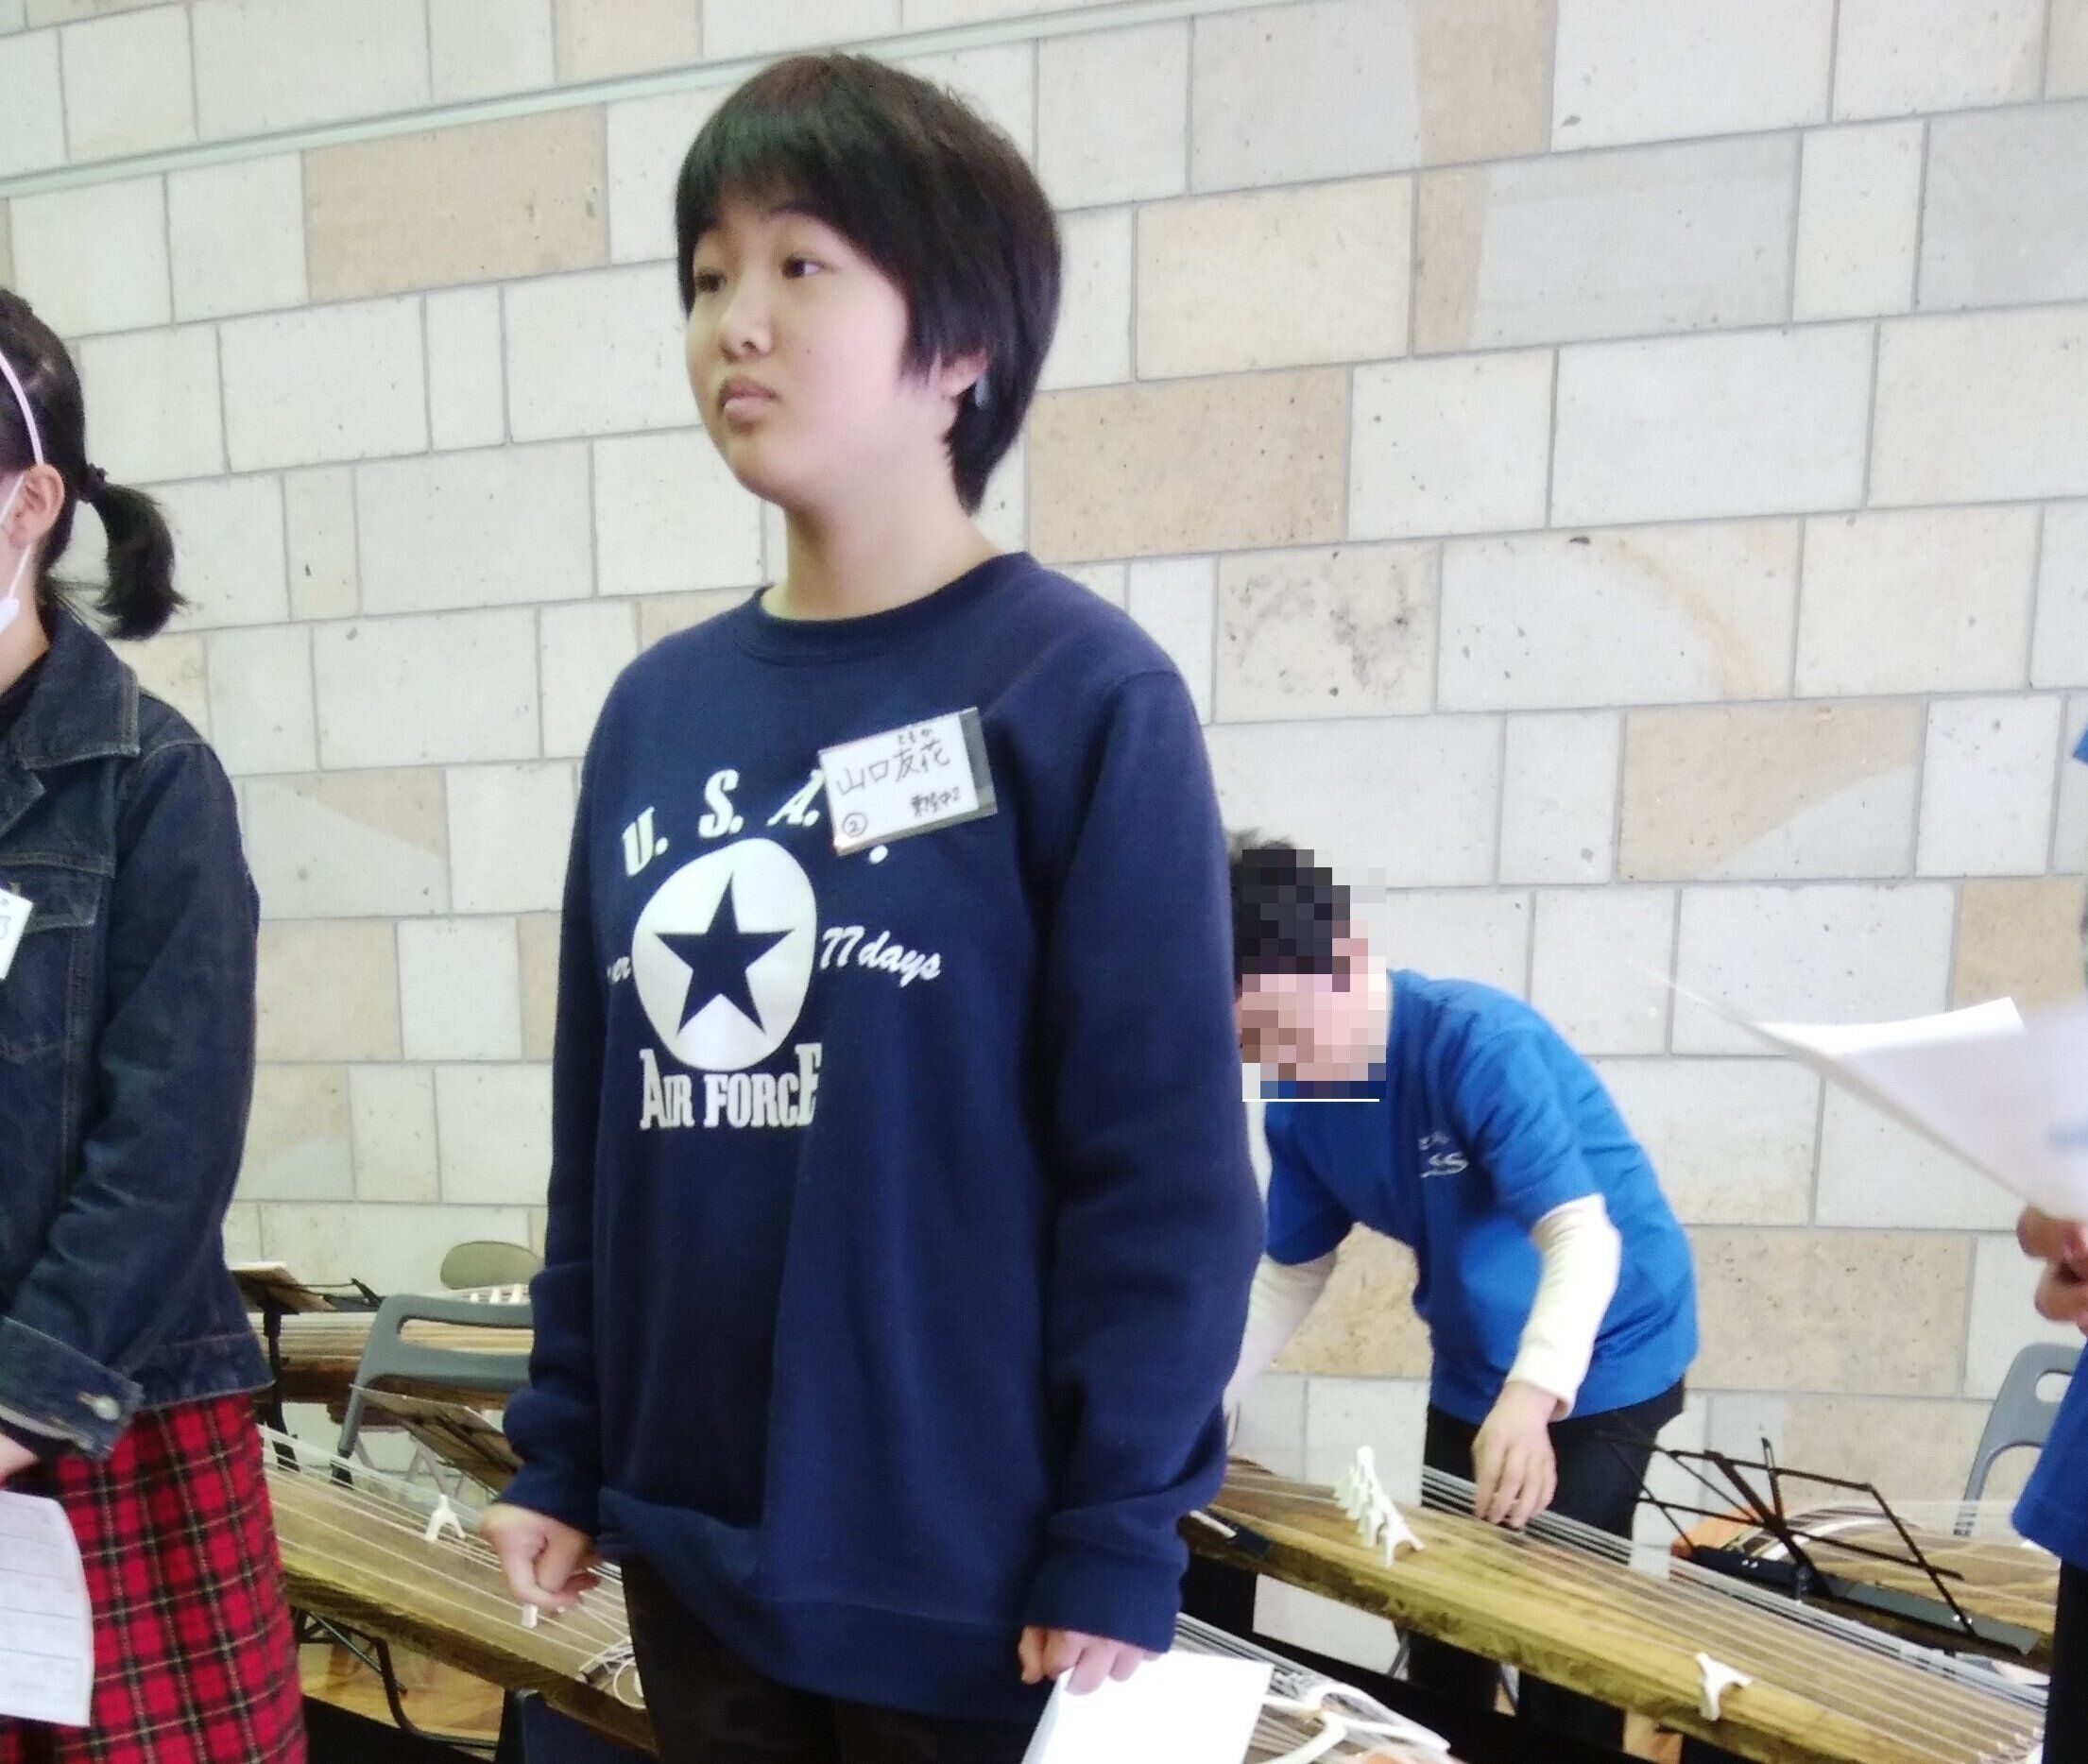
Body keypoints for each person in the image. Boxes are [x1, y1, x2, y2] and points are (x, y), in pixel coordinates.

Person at [481, 54, 1261, 1764]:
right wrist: (564, 1444)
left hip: (960, 1574)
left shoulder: (1078, 694)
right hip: (690, 1545)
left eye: (799, 264)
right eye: (707, 277)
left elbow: (1164, 1167)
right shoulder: (658, 713)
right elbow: (600, 1135)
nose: (735, 324)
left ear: (962, 344)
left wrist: (1120, 1517)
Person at [0, 291, 303, 1761]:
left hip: (98, 1415)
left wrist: (21, 1391)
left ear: (29, 503)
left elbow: (169, 1138)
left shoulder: (151, 783)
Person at [1223, 837, 1697, 1749]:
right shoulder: (1300, 1099)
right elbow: (1289, 1268)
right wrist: (1211, 1398)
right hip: (1478, 1355)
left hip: (1609, 1342)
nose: (1269, 1061)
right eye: (1251, 1044)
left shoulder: (1477, 1044)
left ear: (1337, 962)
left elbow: (1582, 1237)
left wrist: (1534, 1394)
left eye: (1275, 1032)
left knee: (1560, 1633)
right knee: (1444, 1616)